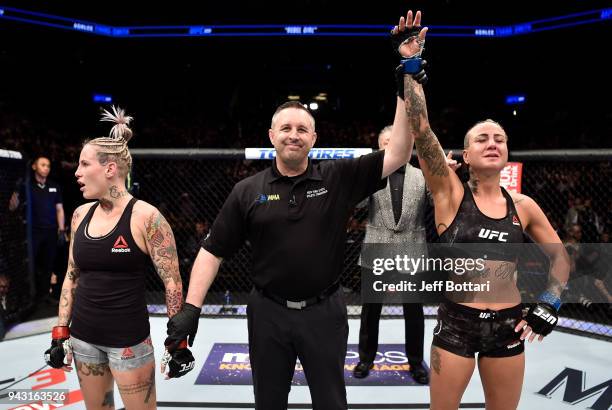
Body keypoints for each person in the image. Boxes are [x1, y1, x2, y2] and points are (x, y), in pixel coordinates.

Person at [165, 16, 426, 407]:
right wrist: (190, 309)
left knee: (331, 403)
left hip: (325, 312)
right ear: (271, 136)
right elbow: (212, 250)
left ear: (314, 138)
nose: (293, 134)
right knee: (269, 403)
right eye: (285, 128)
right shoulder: (247, 190)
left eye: (302, 129)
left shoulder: (338, 177)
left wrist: (407, 76)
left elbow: (400, 152)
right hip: (267, 313)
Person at [395, 11, 571, 408]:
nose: (493, 143)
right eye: (483, 139)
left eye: (500, 139)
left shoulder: (523, 205)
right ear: (467, 154)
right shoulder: (449, 193)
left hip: (509, 326)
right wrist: (410, 66)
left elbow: (561, 258)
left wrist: (551, 301)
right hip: (456, 324)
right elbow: (421, 130)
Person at [43, 107, 194, 410]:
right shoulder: (79, 214)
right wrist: (60, 332)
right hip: (84, 339)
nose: (77, 172)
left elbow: (172, 281)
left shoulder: (146, 217)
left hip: (129, 343)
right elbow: (72, 275)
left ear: (110, 169)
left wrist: (178, 341)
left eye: (84, 164)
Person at [354, 126, 449, 384]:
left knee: (414, 312)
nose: (393, 147)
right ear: (380, 148)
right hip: (376, 249)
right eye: (387, 142)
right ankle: (365, 358)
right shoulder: (371, 175)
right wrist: (364, 175)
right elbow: (357, 203)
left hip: (412, 250)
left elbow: (439, 198)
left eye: (398, 142)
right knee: (370, 311)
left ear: (408, 146)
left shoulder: (421, 175)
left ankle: (416, 363)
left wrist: (444, 174)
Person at [9, 155, 67, 303]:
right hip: (32, 232)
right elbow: (12, 207)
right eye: (43, 165)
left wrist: (61, 231)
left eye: (48, 165)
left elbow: (59, 209)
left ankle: (44, 295)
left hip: (50, 231)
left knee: (48, 264)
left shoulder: (54, 186)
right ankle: (29, 296)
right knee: (31, 263)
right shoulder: (27, 186)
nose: (46, 168)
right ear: (34, 166)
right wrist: (16, 190)